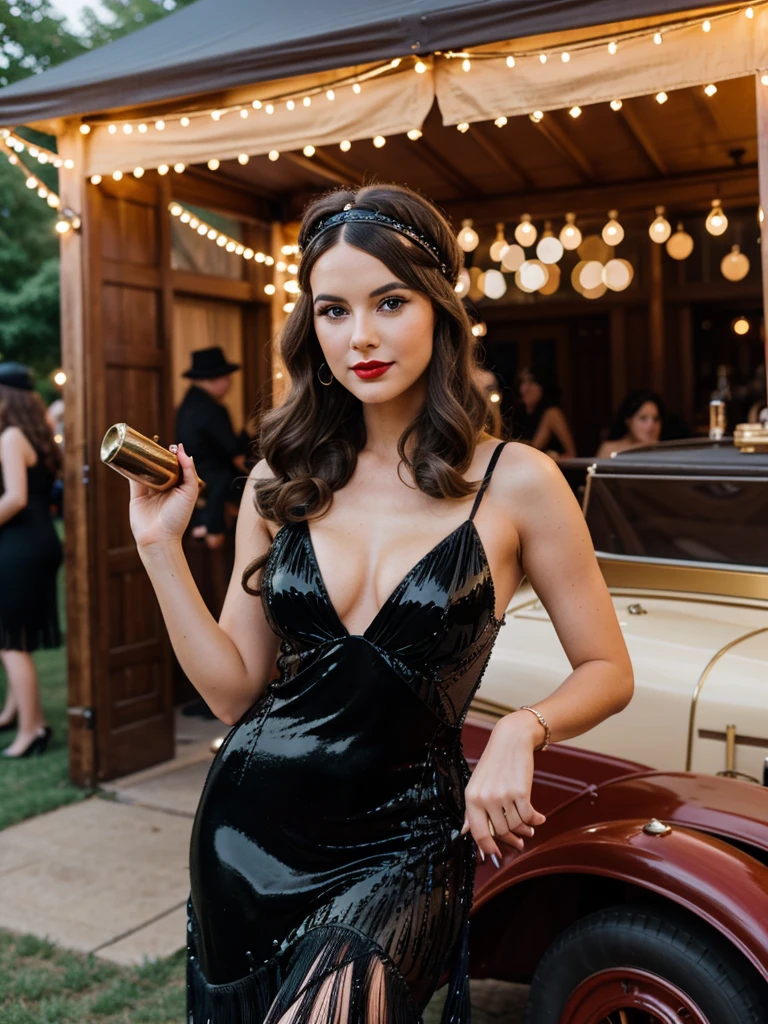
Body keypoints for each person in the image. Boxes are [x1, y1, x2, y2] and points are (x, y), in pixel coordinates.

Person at [127, 184, 633, 1023]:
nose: (358, 336)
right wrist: (159, 548)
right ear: (310, 326)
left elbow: (608, 667)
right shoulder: (276, 481)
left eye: (389, 302)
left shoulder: (519, 481)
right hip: (247, 832)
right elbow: (230, 689)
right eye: (333, 310)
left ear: (438, 310)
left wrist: (521, 727)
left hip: (403, 844)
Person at [0, 363, 62, 758]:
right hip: (39, 540)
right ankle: (15, 712)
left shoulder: (10, 436)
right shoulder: (37, 434)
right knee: (11, 637)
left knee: (10, 643)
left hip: (19, 543)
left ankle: (32, 730)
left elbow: (15, 497)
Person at [175, 345, 249, 551]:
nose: (229, 384)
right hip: (217, 491)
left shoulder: (187, 405)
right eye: (227, 378)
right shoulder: (213, 410)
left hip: (191, 488)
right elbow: (236, 456)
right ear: (217, 379)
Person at [516, 365, 577, 458]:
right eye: (523, 382)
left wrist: (551, 458)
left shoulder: (552, 413)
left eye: (531, 382)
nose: (524, 388)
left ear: (543, 386)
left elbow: (571, 454)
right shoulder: (519, 412)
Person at [597, 389, 664, 458]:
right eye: (643, 418)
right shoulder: (609, 450)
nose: (651, 426)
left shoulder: (665, 450)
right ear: (628, 421)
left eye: (656, 419)